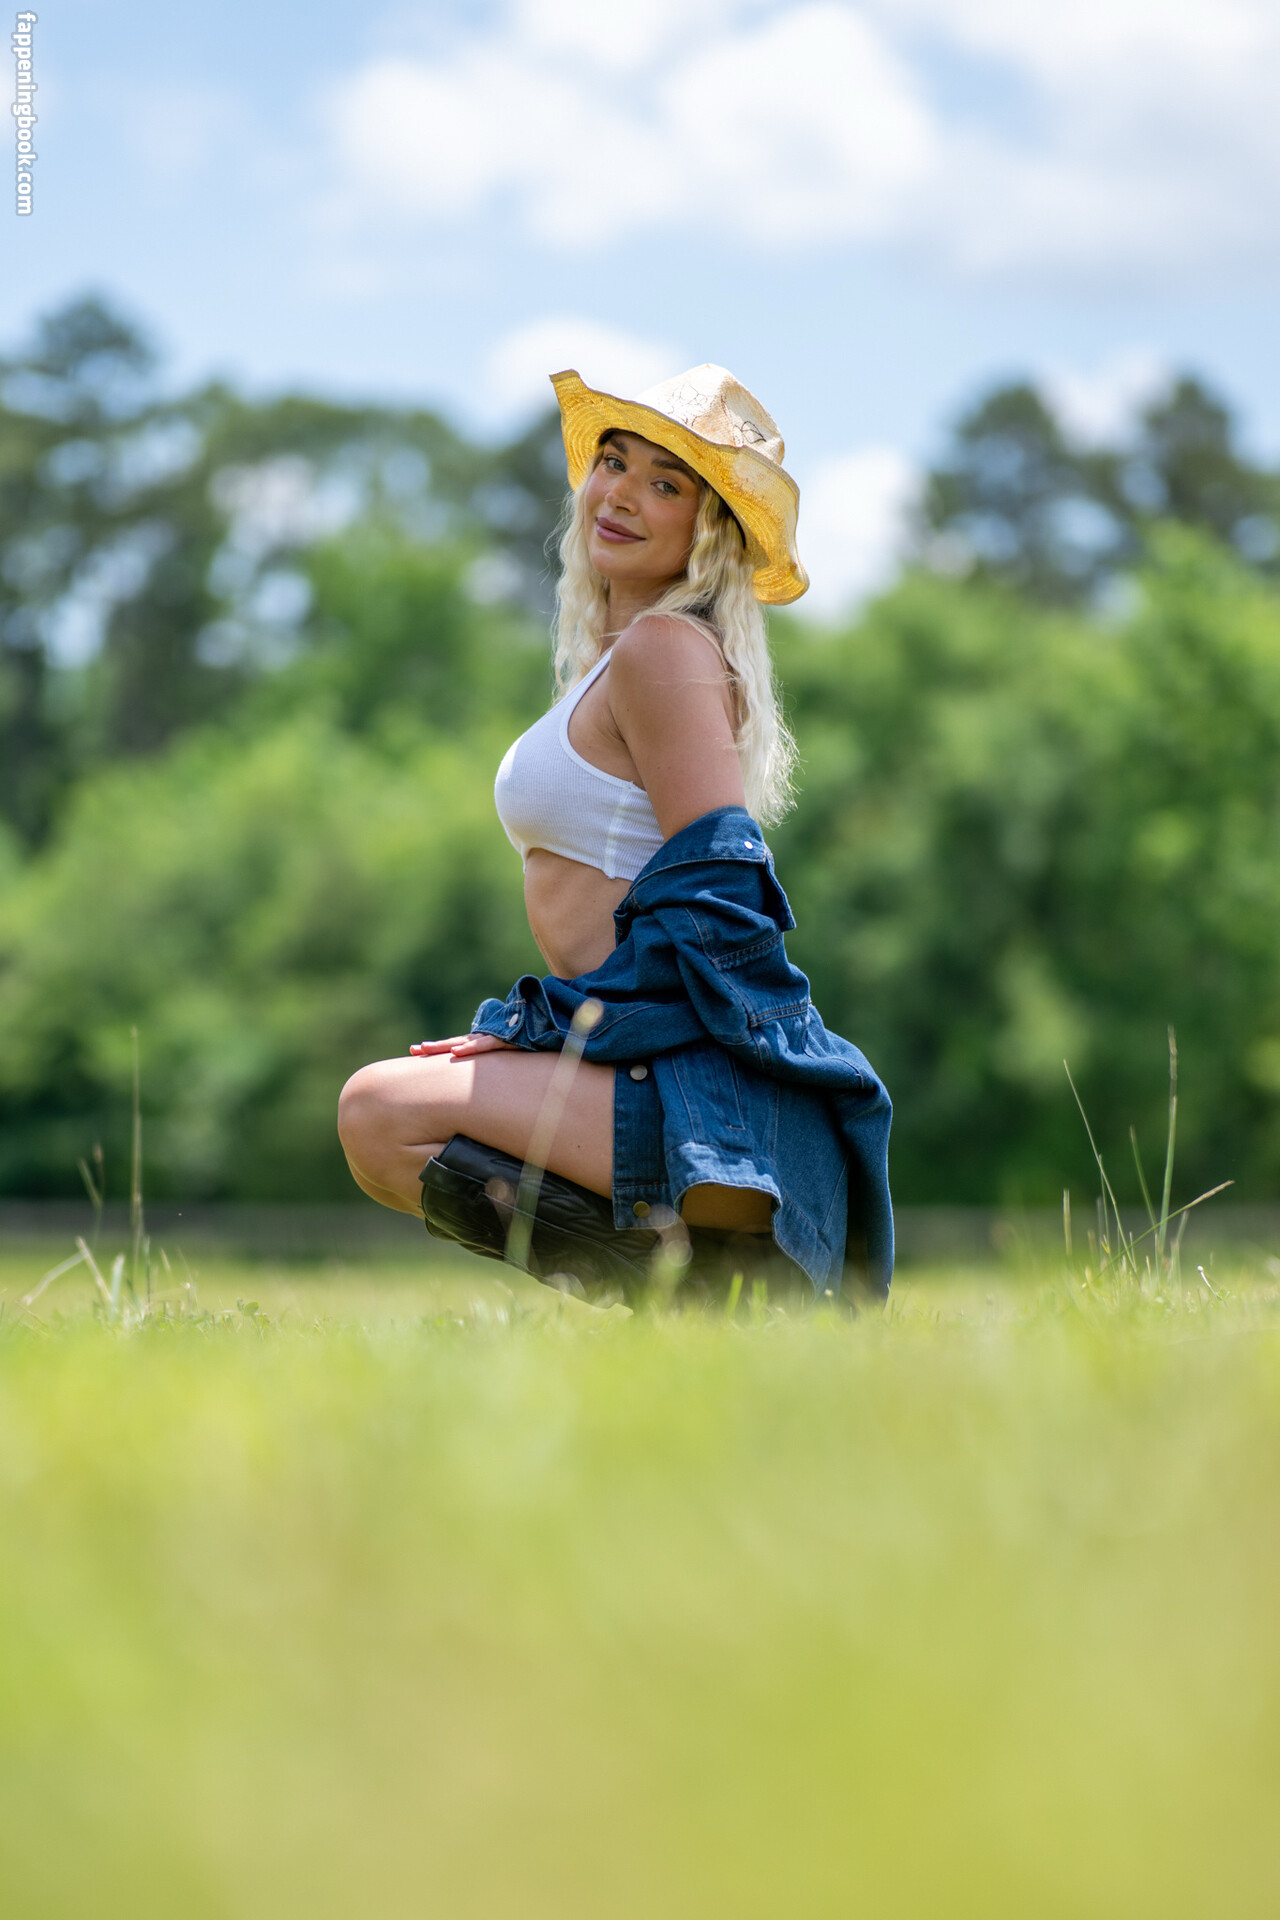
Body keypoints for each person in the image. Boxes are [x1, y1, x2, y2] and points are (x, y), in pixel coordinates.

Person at [338, 364, 893, 1301]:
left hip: (688, 1077)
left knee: (380, 1111)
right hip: (624, 1051)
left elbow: (719, 893)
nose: (623, 494)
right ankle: (724, 1304)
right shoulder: (619, 661)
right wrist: (540, 1035)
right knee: (383, 1123)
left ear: (708, 528)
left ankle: (735, 1291)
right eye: (613, 462)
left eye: (665, 483)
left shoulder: (664, 651)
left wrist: (541, 1032)